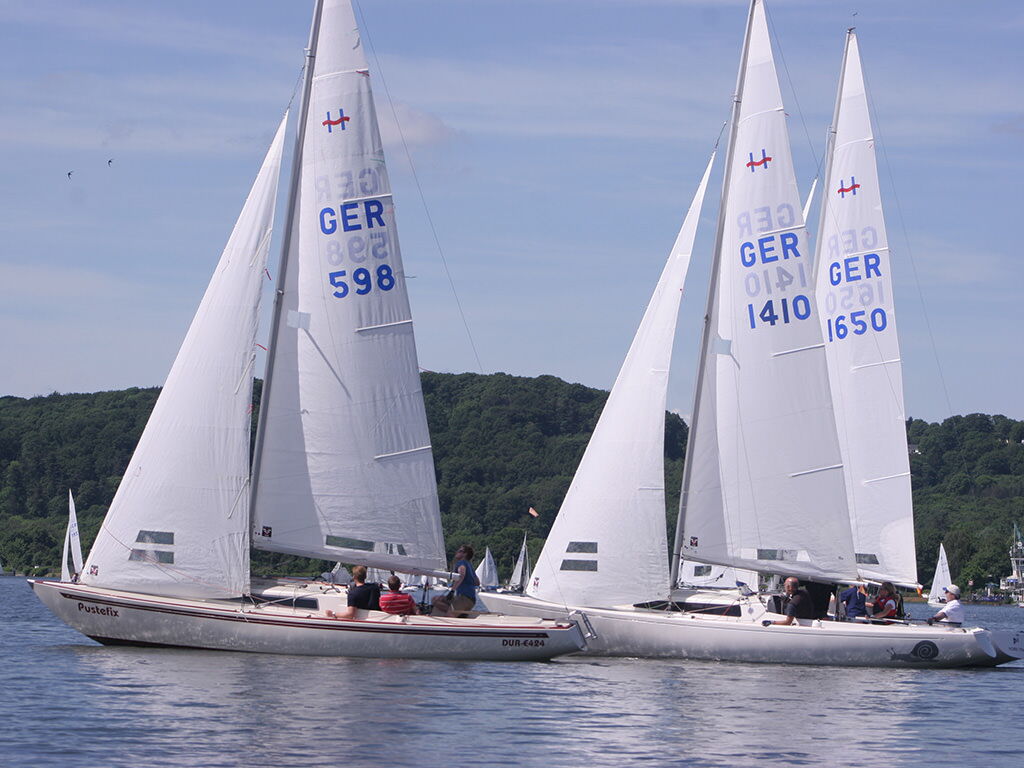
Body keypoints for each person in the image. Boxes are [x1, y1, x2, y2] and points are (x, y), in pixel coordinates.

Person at [432, 545, 479, 617]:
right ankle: (460, 613)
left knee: (449, 614)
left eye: (460, 551)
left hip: (464, 598)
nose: (457, 552)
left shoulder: (461, 563)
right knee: (435, 600)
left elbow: (461, 574)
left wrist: (452, 591)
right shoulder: (469, 565)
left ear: (465, 554)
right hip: (471, 600)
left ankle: (454, 612)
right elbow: (477, 582)